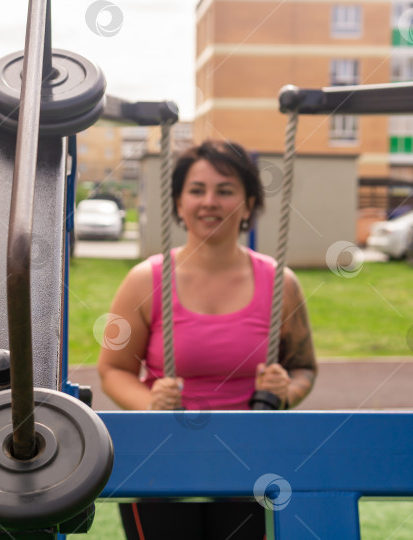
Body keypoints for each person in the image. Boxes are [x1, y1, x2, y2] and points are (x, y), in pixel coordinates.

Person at [97, 140, 317, 540]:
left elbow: (304, 368)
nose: (209, 201)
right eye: (196, 190)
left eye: (226, 190)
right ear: (179, 203)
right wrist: (150, 403)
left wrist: (287, 391)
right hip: (162, 462)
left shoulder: (281, 283)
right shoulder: (145, 280)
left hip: (251, 465)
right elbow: (112, 369)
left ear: (249, 204)